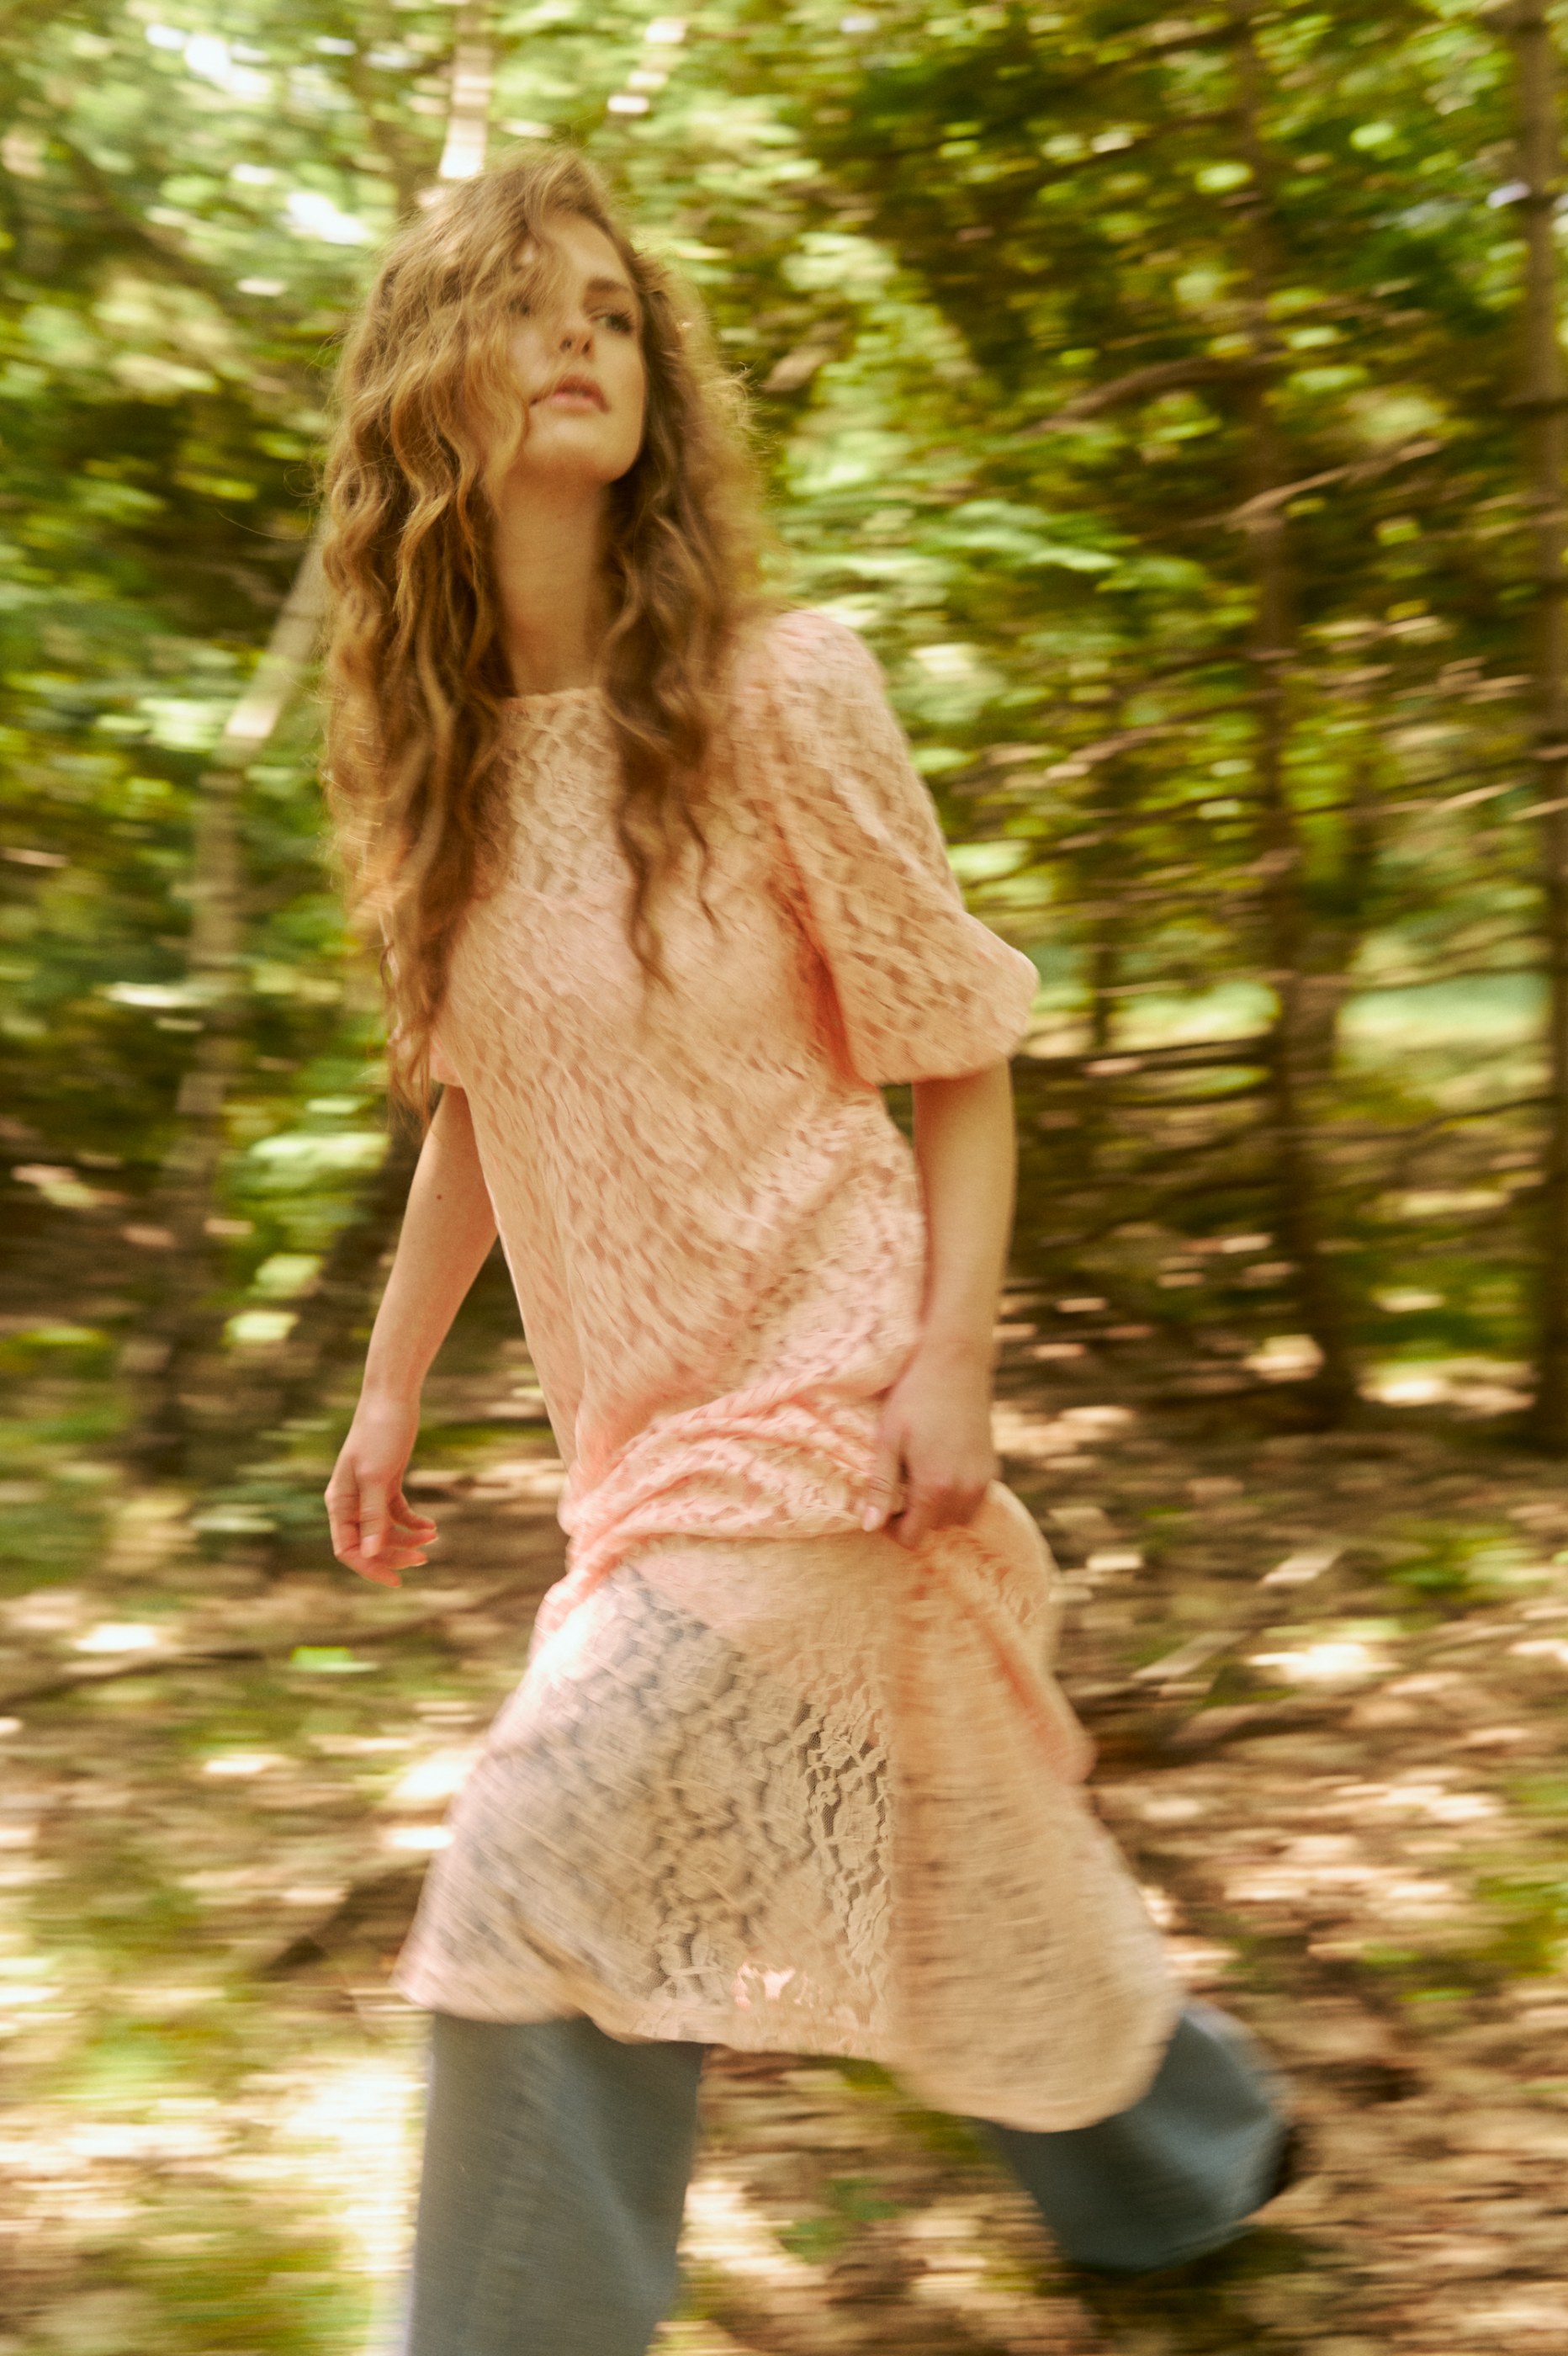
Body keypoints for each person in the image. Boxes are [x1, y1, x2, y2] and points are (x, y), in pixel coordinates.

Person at [320, 147, 1294, 2356]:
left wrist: (947, 1358)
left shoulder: (782, 694)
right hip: (646, 1447)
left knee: (552, 1852)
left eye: (618, 312)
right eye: (528, 301)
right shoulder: (440, 764)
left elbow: (956, 1056)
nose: (585, 334)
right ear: (424, 391)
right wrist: (387, 1387)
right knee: (963, 1850)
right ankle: (1196, 2173)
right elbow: (492, 1092)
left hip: (831, 1397)